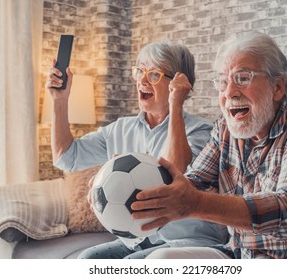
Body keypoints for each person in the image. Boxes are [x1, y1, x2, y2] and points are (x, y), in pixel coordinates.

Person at [132, 31, 287, 259]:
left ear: (278, 87)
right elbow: (193, 182)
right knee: (160, 261)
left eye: (243, 78)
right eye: (223, 81)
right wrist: (126, 189)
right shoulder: (225, 128)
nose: (229, 92)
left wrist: (195, 203)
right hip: (243, 257)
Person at [46, 40, 228, 259]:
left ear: (178, 84)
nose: (142, 80)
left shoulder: (202, 131)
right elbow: (66, 157)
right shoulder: (120, 129)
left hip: (185, 243)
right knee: (87, 259)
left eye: (154, 75)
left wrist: (175, 106)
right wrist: (59, 100)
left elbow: (174, 175)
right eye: (139, 71)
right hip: (136, 242)